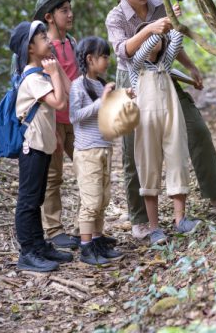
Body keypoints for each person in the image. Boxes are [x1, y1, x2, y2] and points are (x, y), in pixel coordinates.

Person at [106, 0, 216, 240]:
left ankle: (214, 196)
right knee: (134, 151)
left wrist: (190, 66)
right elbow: (123, 51)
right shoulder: (115, 18)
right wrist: (150, 29)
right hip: (131, 79)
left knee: (195, 127)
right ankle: (142, 220)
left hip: (163, 72)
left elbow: (171, 41)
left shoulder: (157, 3)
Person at [33, 0, 117, 249]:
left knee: (89, 171)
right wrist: (51, 125)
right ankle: (54, 230)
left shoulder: (72, 42)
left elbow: (80, 81)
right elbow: (42, 88)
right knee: (53, 176)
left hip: (78, 121)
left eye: (70, 8)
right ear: (49, 17)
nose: (70, 14)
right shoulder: (43, 49)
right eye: (63, 10)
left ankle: (87, 230)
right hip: (55, 119)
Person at [131, 22, 202, 244]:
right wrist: (155, 29)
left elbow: (176, 39)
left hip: (171, 116)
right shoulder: (137, 65)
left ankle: (180, 219)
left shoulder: (166, 63)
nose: (156, 40)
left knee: (178, 161)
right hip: (146, 122)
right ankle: (154, 228)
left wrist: (174, 19)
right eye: (151, 36)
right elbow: (146, 45)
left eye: (160, 37)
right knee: (148, 168)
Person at [11, 20, 73, 272]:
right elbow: (59, 102)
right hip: (32, 148)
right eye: (43, 39)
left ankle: (39, 245)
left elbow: (46, 112)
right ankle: (28, 252)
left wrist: (54, 137)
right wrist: (56, 72)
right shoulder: (32, 77)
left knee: (36, 197)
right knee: (28, 200)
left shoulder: (39, 74)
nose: (49, 41)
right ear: (30, 49)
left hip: (42, 144)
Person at [69, 36, 124, 265]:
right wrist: (101, 101)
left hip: (104, 148)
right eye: (103, 56)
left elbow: (106, 114)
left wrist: (121, 99)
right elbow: (75, 116)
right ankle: (85, 246)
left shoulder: (101, 84)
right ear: (90, 59)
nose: (107, 60)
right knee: (90, 202)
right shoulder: (77, 85)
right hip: (87, 152)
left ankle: (99, 241)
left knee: (103, 199)